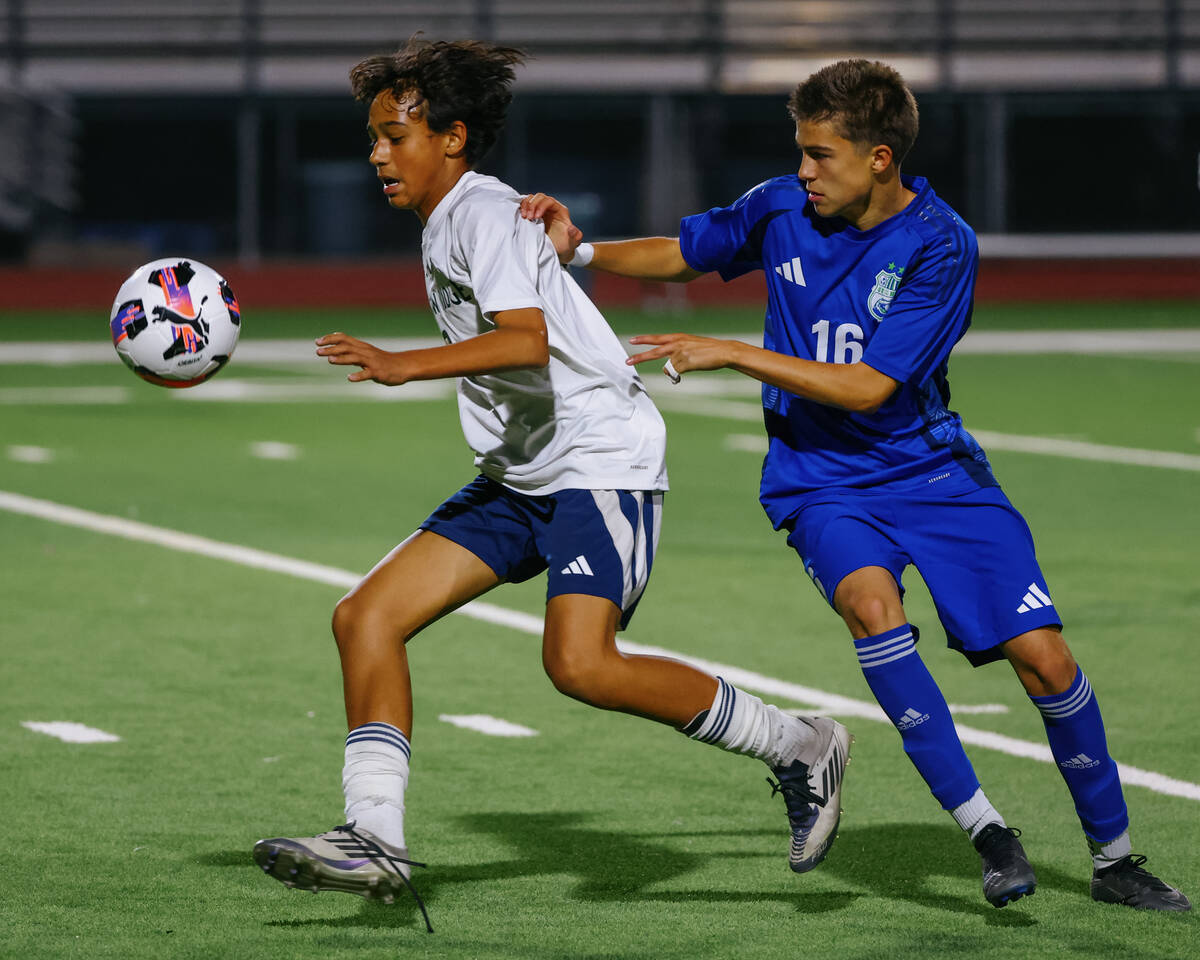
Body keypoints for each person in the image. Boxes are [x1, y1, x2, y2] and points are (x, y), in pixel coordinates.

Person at [519, 58, 1190, 912]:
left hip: (933, 475)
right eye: (800, 151)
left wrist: (733, 350)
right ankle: (990, 834)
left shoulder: (941, 245)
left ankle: (1115, 859)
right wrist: (585, 251)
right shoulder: (781, 206)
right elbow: (689, 252)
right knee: (874, 611)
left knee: (1045, 659)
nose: (804, 171)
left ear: (880, 158)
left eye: (821, 155)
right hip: (818, 481)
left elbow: (873, 387)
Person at [251, 39, 853, 925]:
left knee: (580, 664)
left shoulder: (480, 215)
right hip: (525, 471)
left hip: (600, 462)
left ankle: (800, 745)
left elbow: (525, 341)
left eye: (394, 134)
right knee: (365, 617)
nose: (377, 152)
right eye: (373, 136)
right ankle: (372, 836)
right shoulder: (452, 217)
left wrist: (401, 364)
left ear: (452, 138)